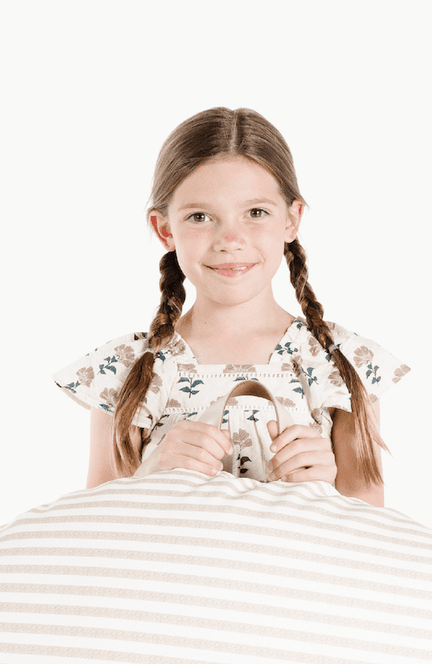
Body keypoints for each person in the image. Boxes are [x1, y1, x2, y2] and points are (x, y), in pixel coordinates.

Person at [53, 107, 409, 508]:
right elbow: (92, 525)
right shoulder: (122, 371)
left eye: (256, 213)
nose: (231, 239)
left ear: (292, 220)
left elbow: (372, 525)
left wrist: (326, 486)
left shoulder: (342, 363)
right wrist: (150, 473)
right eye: (200, 216)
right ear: (164, 229)